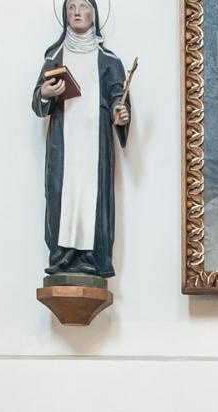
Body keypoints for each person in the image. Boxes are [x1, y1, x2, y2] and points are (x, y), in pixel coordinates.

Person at [33, 0, 131, 279]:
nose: (76, 12)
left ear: (94, 14)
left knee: (91, 195)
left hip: (93, 144)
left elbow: (118, 99)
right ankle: (62, 256)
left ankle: (90, 257)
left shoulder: (109, 60)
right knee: (61, 194)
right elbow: (37, 98)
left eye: (83, 6)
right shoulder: (54, 57)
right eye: (71, 7)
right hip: (64, 143)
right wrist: (46, 93)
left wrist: (120, 114)